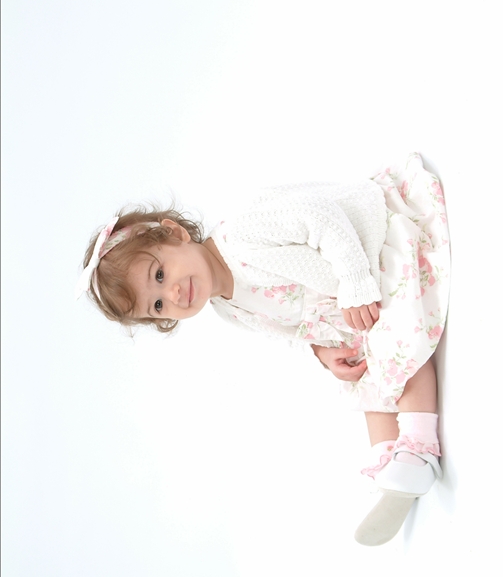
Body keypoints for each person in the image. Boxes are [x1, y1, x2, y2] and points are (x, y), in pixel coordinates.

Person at [76, 152, 450, 545]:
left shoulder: (240, 233)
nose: (172, 293)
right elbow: (289, 328)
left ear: (175, 234)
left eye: (159, 273)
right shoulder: (227, 309)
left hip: (368, 245)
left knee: (394, 343)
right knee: (364, 375)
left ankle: (419, 450)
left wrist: (356, 280)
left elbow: (321, 217)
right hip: (348, 303)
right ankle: (389, 462)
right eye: (157, 305)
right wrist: (321, 353)